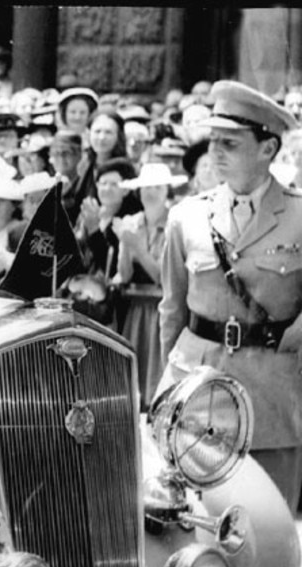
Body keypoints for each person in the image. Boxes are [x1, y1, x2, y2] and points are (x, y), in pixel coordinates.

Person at [158, 79, 302, 515]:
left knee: (270, 529)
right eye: (213, 141)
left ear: (268, 149)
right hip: (196, 395)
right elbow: (171, 312)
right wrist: (166, 392)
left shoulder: (299, 216)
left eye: (231, 143)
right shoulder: (186, 217)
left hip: (271, 399)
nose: (215, 152)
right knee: (189, 526)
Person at [114, 162, 186, 405]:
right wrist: (125, 246)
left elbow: (163, 277)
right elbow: (123, 276)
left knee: (158, 380)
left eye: (157, 187)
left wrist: (138, 249)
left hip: (162, 309)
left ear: (167, 190)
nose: (151, 192)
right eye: (146, 187)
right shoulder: (131, 222)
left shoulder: (175, 222)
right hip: (137, 310)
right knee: (133, 382)